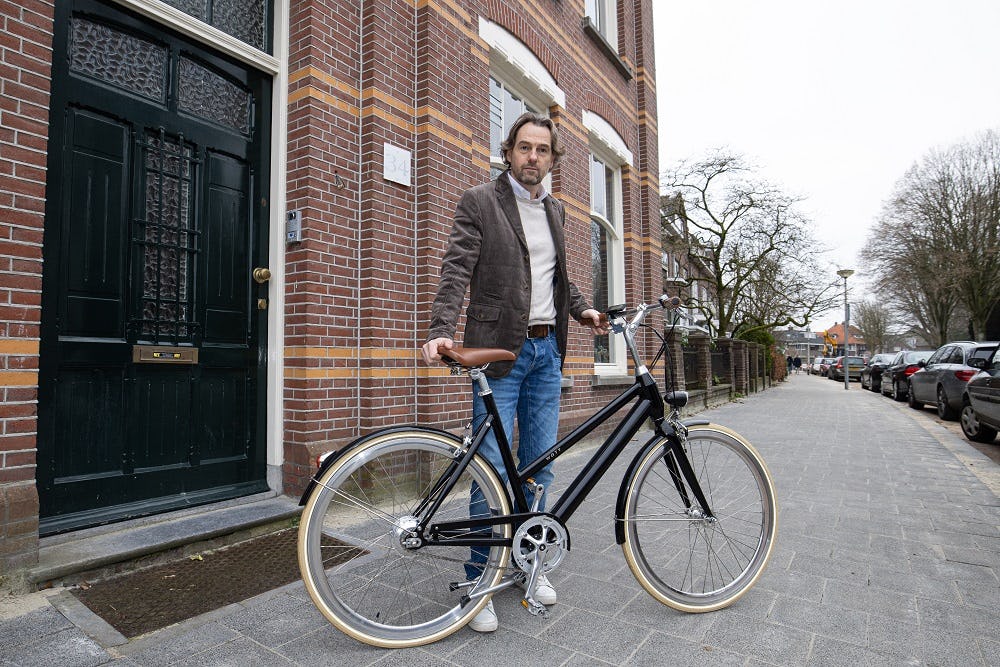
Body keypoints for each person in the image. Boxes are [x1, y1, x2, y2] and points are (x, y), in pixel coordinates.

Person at [421, 112, 607, 633]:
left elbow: (557, 278)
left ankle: (530, 562)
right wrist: (441, 328)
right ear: (508, 152)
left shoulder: (555, 209)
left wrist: (583, 310)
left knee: (539, 466)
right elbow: (457, 267)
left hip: (548, 353)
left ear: (553, 159)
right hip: (500, 352)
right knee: (490, 470)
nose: (533, 157)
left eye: (542, 150)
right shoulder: (481, 200)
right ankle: (479, 581)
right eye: (524, 147)